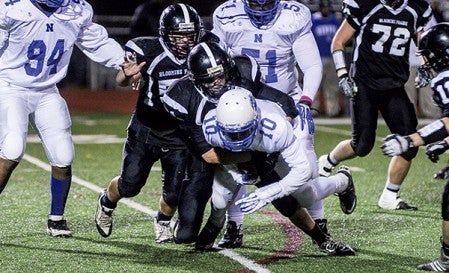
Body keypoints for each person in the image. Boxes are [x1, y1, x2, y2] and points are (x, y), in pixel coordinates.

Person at [162, 41, 355, 255]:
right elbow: (208, 155)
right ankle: (213, 226)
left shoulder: (273, 127)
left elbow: (283, 103)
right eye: (209, 80)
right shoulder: (199, 117)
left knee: (298, 198)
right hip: (218, 151)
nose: (217, 83)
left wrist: (268, 184)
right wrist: (241, 164)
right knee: (210, 209)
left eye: (220, 75)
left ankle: (322, 236)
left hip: (258, 147)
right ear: (196, 80)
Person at [94, 3, 223, 245]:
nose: (186, 41)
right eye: (179, 35)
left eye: (190, 34)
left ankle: (162, 221)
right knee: (130, 185)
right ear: (165, 34)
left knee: (173, 193)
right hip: (146, 129)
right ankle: (106, 202)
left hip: (179, 134)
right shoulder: (148, 50)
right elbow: (122, 79)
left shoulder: (203, 51)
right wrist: (127, 74)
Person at [0, 0, 124, 237]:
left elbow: (97, 42)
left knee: (63, 154)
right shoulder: (10, 7)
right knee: (13, 147)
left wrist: (122, 62)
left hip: (47, 90)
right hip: (10, 87)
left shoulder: (75, 10)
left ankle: (56, 218)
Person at [211, 0, 325, 248]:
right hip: (242, 101)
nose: (261, 9)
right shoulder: (226, 14)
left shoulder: (294, 15)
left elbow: (312, 64)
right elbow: (214, 58)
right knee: (237, 160)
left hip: (287, 103)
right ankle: (234, 224)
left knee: (308, 173)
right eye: (255, 3)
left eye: (266, 3)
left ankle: (324, 208)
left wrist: (305, 101)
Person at [318, 0, 433, 211]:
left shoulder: (415, 8)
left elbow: (422, 40)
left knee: (409, 142)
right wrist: (343, 74)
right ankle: (328, 161)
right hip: (365, 84)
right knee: (362, 146)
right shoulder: (365, 4)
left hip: (394, 85)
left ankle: (389, 196)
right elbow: (338, 42)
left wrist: (425, 64)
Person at [380, 23, 449, 272]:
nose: (424, 60)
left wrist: (411, 140)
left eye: (427, 54)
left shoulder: (444, 80)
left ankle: (447, 261)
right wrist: (444, 144)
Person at [311, 0, 344, 117]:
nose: (326, 10)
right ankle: (313, 110)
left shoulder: (334, 21)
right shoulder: (314, 21)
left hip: (331, 57)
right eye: (324, 8)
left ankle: (333, 110)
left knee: (332, 86)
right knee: (314, 86)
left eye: (327, 8)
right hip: (317, 58)